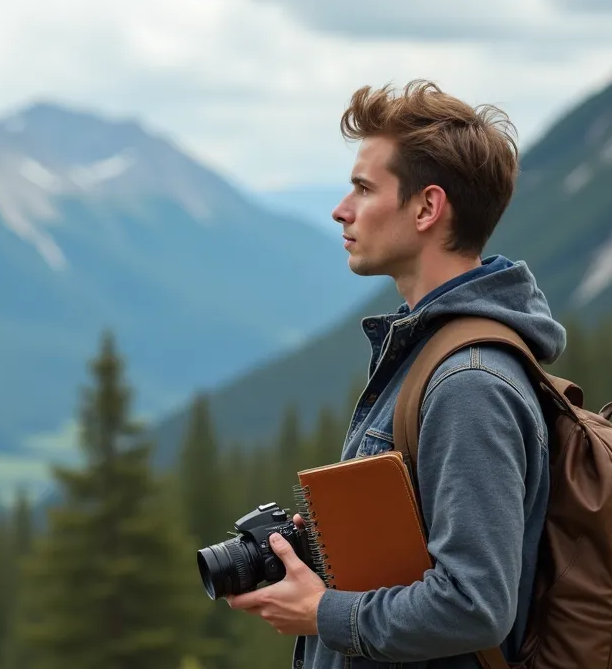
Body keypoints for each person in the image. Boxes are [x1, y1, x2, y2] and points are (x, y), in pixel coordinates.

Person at [225, 80, 566, 669]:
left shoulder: (469, 384)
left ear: (427, 208)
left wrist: (322, 611)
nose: (341, 209)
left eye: (362, 187)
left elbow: (474, 605)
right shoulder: (431, 352)